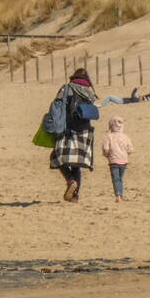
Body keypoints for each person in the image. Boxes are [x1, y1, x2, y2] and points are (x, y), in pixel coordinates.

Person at [50, 68, 98, 202]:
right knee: (76, 164)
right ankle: (75, 196)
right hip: (84, 130)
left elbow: (56, 106)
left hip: (67, 129)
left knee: (57, 157)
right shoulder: (89, 91)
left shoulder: (67, 88)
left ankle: (71, 181)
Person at [101, 115, 133, 203]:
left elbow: (106, 148)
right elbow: (130, 149)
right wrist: (125, 154)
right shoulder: (125, 137)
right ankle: (120, 195)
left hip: (113, 161)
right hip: (124, 161)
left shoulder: (109, 136)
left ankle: (118, 195)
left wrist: (106, 155)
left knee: (116, 179)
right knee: (120, 179)